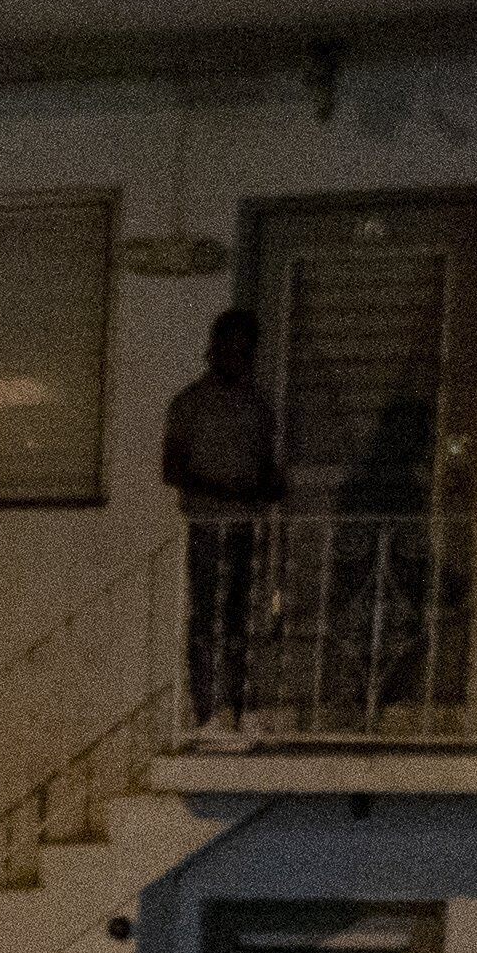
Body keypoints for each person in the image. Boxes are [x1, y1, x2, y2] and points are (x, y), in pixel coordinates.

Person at [162, 304, 286, 727]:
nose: (239, 358)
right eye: (231, 348)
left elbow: (270, 468)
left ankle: (235, 704)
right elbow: (172, 470)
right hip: (207, 524)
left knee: (240, 614)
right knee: (207, 614)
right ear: (214, 349)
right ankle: (205, 706)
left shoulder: (258, 407)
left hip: (247, 526)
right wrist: (223, 490)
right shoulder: (190, 405)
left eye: (246, 351)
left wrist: (268, 487)